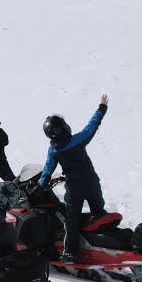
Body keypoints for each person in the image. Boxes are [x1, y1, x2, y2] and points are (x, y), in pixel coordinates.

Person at [38, 94, 109, 265]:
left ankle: (70, 253)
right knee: (99, 214)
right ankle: (105, 245)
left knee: (71, 221)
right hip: (92, 182)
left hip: (74, 188)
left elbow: (47, 170)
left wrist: (40, 186)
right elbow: (92, 126)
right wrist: (102, 108)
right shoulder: (77, 140)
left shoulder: (53, 150)